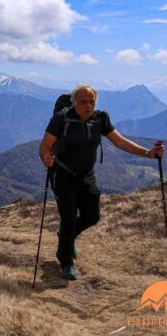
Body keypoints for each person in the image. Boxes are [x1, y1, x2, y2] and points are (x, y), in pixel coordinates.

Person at [39, 84, 164, 281]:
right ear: (74, 102)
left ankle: (67, 238)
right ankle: (66, 262)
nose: (88, 106)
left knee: (92, 216)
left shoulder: (100, 119)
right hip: (63, 175)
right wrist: (45, 158)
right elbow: (45, 147)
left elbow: (121, 142)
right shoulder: (61, 119)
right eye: (83, 102)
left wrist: (147, 153)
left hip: (86, 175)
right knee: (69, 218)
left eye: (92, 101)